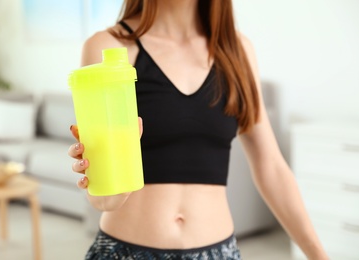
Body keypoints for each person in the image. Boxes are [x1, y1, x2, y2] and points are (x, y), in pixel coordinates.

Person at [68, 0, 329, 259]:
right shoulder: (108, 47)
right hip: (124, 252)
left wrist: (318, 255)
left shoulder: (238, 50)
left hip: (218, 253)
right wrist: (109, 191)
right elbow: (101, 199)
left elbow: (270, 165)